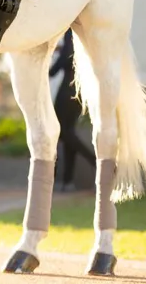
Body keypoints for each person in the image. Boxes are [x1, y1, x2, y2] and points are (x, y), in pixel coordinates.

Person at [49, 29, 96, 192]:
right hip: (76, 85)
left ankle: (96, 161)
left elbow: (68, 54)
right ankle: (68, 180)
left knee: (62, 132)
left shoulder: (71, 27)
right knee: (68, 132)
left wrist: (50, 70)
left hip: (71, 87)